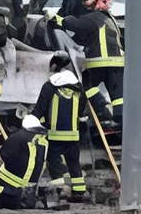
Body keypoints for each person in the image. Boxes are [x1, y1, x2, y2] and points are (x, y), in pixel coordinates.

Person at [33, 51, 112, 202]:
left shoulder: (50, 86)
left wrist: (32, 122)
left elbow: (40, 108)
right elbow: (81, 113)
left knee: (54, 163)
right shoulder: (78, 88)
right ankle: (79, 193)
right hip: (73, 137)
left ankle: (60, 191)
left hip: (55, 136)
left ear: (55, 65)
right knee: (74, 165)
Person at [49, 0, 125, 123]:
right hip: (117, 64)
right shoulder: (109, 19)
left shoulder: (94, 17)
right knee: (117, 95)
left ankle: (102, 109)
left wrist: (59, 19)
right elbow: (84, 38)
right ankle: (120, 120)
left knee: (87, 84)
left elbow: (77, 26)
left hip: (100, 62)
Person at [0, 115, 49, 209]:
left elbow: (2, 155)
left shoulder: (17, 137)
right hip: (32, 184)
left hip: (11, 181)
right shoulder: (43, 141)